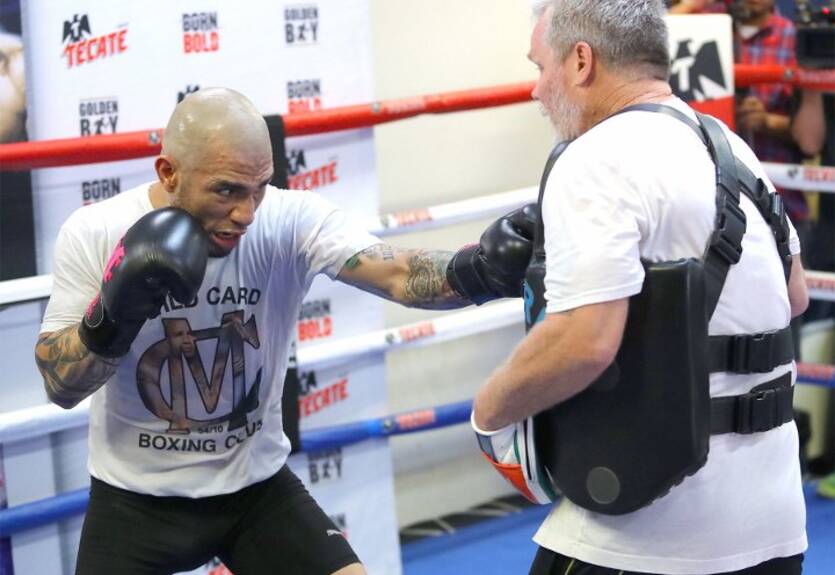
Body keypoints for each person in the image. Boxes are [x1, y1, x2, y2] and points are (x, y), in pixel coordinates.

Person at [34, 87, 536, 575]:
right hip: (134, 503)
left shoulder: (286, 219)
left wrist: (481, 271)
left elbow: (399, 272)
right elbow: (60, 386)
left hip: (255, 492)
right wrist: (113, 315)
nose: (246, 214)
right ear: (169, 173)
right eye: (227, 190)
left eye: (259, 188)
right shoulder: (98, 231)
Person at [471, 1, 809, 574]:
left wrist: (490, 411)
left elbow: (584, 343)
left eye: (539, 67)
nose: (536, 91)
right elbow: (794, 295)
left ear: (581, 61)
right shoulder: (730, 146)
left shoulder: (595, 158)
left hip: (651, 537)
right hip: (774, 529)